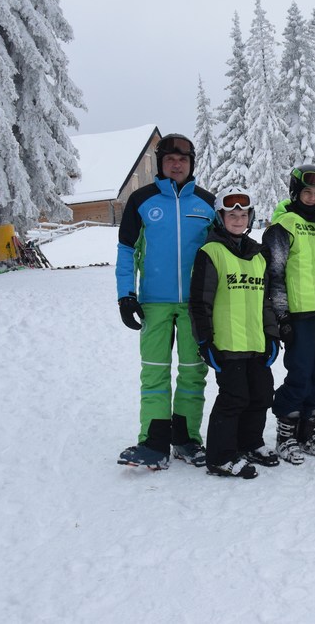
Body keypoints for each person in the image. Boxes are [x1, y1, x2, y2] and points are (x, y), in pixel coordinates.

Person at [116, 133, 216, 470]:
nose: (177, 164)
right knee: (155, 373)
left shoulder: (206, 203)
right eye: (171, 158)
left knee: (192, 373)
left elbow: (221, 254)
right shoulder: (141, 200)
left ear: (192, 163)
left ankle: (186, 440)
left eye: (183, 159)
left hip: (195, 306)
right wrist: (125, 294)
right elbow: (126, 250)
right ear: (160, 163)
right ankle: (154, 443)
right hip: (154, 304)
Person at [188, 186, 280, 479]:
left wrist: (272, 335)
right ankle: (220, 456)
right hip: (227, 344)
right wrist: (205, 341)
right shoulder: (210, 252)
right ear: (220, 217)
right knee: (234, 398)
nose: (238, 219)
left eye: (243, 214)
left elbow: (265, 301)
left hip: (255, 342)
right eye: (231, 214)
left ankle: (249, 443)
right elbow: (200, 302)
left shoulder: (258, 255)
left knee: (262, 395)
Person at [263, 164, 315, 464]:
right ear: (295, 192)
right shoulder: (284, 225)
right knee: (299, 375)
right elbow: (275, 275)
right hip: (299, 315)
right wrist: (281, 317)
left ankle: (308, 431)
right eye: (307, 192)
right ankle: (286, 435)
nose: (312, 197)